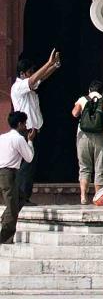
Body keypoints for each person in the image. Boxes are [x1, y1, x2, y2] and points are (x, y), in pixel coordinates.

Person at [9, 49, 58, 204]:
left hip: (32, 131)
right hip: (25, 132)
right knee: (25, 166)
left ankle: (24, 196)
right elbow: (34, 79)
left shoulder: (29, 86)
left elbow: (40, 78)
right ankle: (21, 198)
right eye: (30, 72)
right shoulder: (19, 87)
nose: (33, 74)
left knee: (30, 165)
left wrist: (54, 66)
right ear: (23, 74)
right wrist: (49, 63)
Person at [72, 80, 103, 206]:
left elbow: (75, 113)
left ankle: (83, 196)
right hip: (100, 137)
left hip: (83, 136)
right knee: (100, 167)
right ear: (102, 91)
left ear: (89, 90)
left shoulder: (82, 99)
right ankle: (98, 198)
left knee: (84, 167)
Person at [0, 110, 34, 243]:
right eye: (24, 124)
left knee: (20, 197)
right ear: (20, 124)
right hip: (8, 174)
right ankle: (4, 237)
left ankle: (5, 218)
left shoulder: (2, 137)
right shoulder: (19, 138)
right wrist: (30, 141)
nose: (26, 127)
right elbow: (29, 158)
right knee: (13, 206)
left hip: (3, 172)